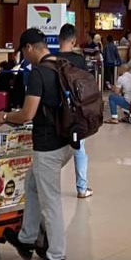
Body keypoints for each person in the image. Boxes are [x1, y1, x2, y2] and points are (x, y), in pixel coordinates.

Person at [0, 29, 74, 260]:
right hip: (68, 142)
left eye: (23, 52)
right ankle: (27, 237)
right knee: (31, 184)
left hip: (48, 146)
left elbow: (27, 113)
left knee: (51, 203)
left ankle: (56, 259)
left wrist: (4, 116)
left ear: (29, 48)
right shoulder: (63, 65)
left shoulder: (39, 73)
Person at [57, 24, 93, 198]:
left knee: (53, 152)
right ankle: (82, 188)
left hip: (56, 112)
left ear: (59, 39)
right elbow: (86, 86)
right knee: (79, 148)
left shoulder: (51, 59)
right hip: (75, 112)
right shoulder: (79, 61)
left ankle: (51, 189)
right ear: (73, 41)